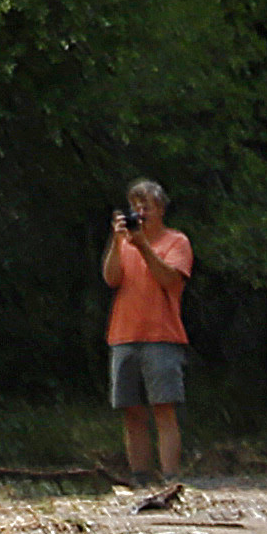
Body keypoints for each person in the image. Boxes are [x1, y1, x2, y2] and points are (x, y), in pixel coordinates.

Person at [99, 180, 194, 482]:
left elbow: (169, 279)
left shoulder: (176, 242)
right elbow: (111, 279)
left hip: (162, 337)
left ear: (161, 210)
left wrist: (143, 247)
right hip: (124, 336)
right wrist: (118, 241)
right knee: (131, 411)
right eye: (135, 207)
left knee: (163, 409)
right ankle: (140, 476)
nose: (140, 213)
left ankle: (170, 477)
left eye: (147, 207)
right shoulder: (124, 244)